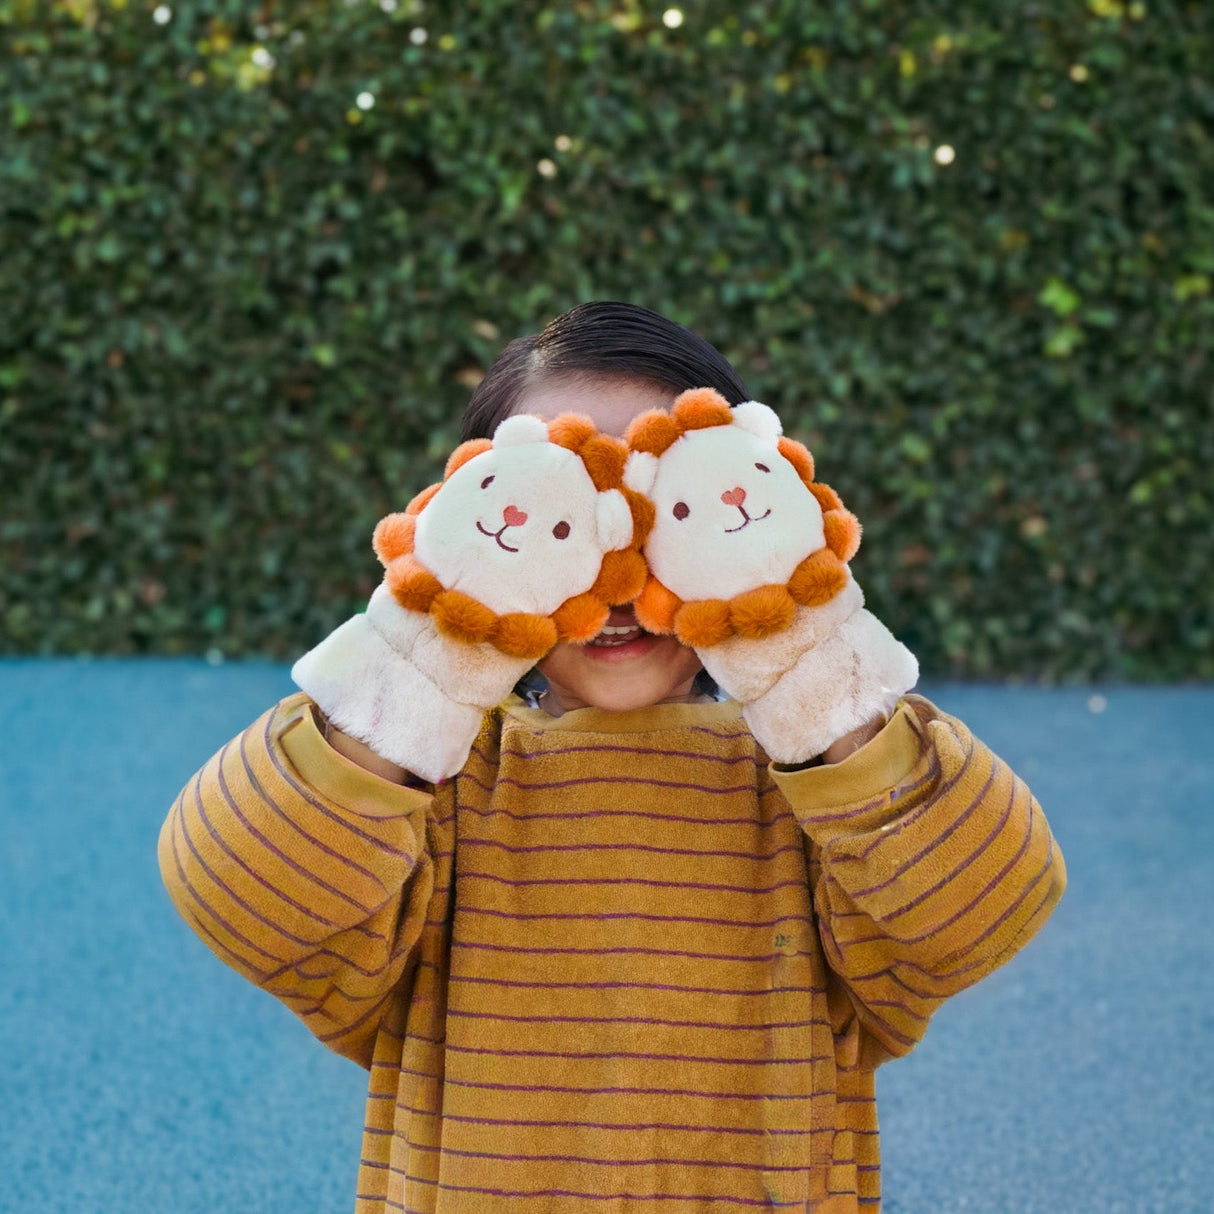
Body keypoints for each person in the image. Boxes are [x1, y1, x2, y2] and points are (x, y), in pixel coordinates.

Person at [159, 301, 1066, 1213]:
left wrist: (803, 652)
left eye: (667, 509)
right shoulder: (422, 795)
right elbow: (233, 887)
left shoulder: (825, 800)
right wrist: (432, 648)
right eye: (575, 512)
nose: (620, 577)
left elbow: (989, 900)